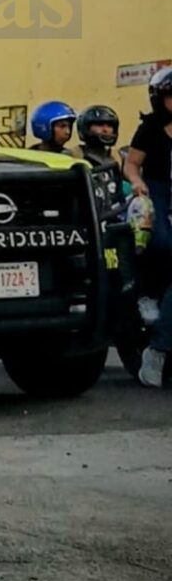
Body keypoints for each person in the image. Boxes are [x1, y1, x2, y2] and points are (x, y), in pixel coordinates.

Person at [126, 69, 172, 386]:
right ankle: (157, 349)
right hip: (156, 191)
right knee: (162, 244)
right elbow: (131, 164)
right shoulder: (150, 129)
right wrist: (138, 183)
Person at [75, 104, 121, 172]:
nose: (106, 130)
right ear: (86, 128)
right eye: (100, 125)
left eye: (109, 126)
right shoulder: (75, 154)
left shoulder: (118, 157)